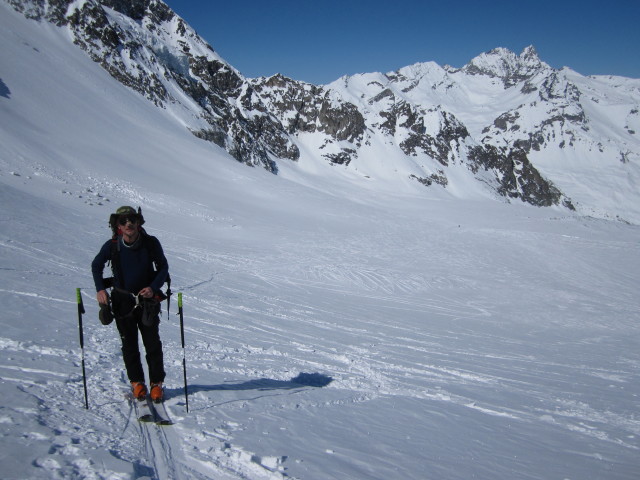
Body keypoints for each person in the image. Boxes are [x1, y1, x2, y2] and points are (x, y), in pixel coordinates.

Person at [91, 206, 169, 402]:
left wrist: (152, 287)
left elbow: (163, 267)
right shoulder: (112, 245)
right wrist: (100, 289)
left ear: (138, 222)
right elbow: (96, 265)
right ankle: (137, 383)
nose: (128, 224)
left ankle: (156, 384)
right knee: (129, 344)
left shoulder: (150, 243)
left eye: (132, 220)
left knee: (152, 343)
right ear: (118, 224)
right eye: (124, 221)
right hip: (122, 301)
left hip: (147, 301)